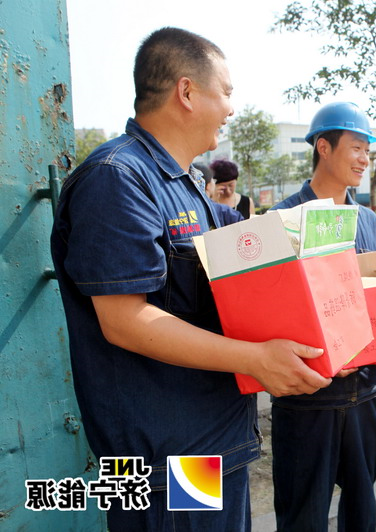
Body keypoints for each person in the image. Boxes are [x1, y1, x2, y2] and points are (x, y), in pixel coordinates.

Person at [50, 27, 331, 531]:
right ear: (186, 92)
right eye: (225, 92)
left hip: (211, 439)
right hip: (165, 459)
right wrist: (256, 359)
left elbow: (245, 250)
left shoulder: (185, 186)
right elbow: (125, 321)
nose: (230, 108)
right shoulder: (118, 177)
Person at [270, 101, 376, 532]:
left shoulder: (369, 223)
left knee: (362, 511)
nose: (365, 159)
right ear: (323, 147)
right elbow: (263, 313)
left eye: (368, 150)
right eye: (357, 147)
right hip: (308, 403)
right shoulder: (281, 222)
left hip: (367, 396)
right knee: (302, 516)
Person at [195, 161, 245, 226]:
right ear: (208, 185)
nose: (228, 190)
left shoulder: (184, 210)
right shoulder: (226, 211)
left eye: (231, 185)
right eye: (213, 180)